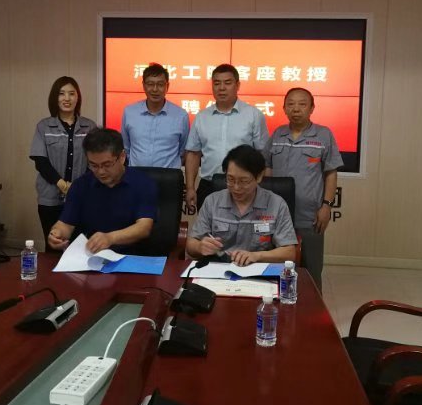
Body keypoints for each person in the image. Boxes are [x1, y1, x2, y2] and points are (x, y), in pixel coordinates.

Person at [263, 88, 343, 292]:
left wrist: (326, 206)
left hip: (310, 215)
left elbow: (330, 173)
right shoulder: (278, 134)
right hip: (277, 215)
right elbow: (267, 168)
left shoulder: (323, 135)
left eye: (302, 104)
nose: (296, 109)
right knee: (277, 268)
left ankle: (313, 308)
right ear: (284, 108)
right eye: (290, 104)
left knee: (311, 269)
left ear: (312, 108)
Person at [47, 128, 157, 254]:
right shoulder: (81, 185)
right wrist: (57, 234)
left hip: (132, 256)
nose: (100, 171)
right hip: (93, 256)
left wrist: (110, 238)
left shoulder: (143, 183)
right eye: (93, 165)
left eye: (107, 165)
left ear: (122, 157)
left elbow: (144, 228)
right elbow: (65, 224)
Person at [187, 145, 297, 266]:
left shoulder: (276, 204)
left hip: (258, 269)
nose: (236, 187)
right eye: (230, 179)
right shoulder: (212, 201)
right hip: (219, 269)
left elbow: (289, 252)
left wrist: (257, 256)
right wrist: (200, 246)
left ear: (259, 176)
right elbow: (191, 245)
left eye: (244, 181)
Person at [184, 64, 269, 211]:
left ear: (238, 85)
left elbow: (263, 154)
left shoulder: (253, 115)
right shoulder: (202, 117)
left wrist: (261, 187)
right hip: (209, 185)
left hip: (243, 186)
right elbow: (193, 154)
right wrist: (191, 187)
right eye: (217, 83)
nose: (221, 88)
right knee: (207, 225)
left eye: (227, 83)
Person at [30, 76, 96, 251]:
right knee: (54, 245)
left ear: (78, 97)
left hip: (81, 196)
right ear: (55, 97)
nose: (67, 98)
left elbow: (95, 163)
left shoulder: (89, 127)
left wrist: (76, 187)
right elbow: (40, 161)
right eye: (61, 93)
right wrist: (63, 185)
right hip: (50, 197)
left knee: (79, 248)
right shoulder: (44, 126)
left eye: (72, 94)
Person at [121, 62, 190, 169]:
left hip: (168, 176)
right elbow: (126, 147)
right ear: (143, 85)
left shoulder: (181, 116)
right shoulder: (129, 112)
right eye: (150, 84)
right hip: (137, 174)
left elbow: (183, 151)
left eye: (160, 84)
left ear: (167, 86)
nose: (155, 89)